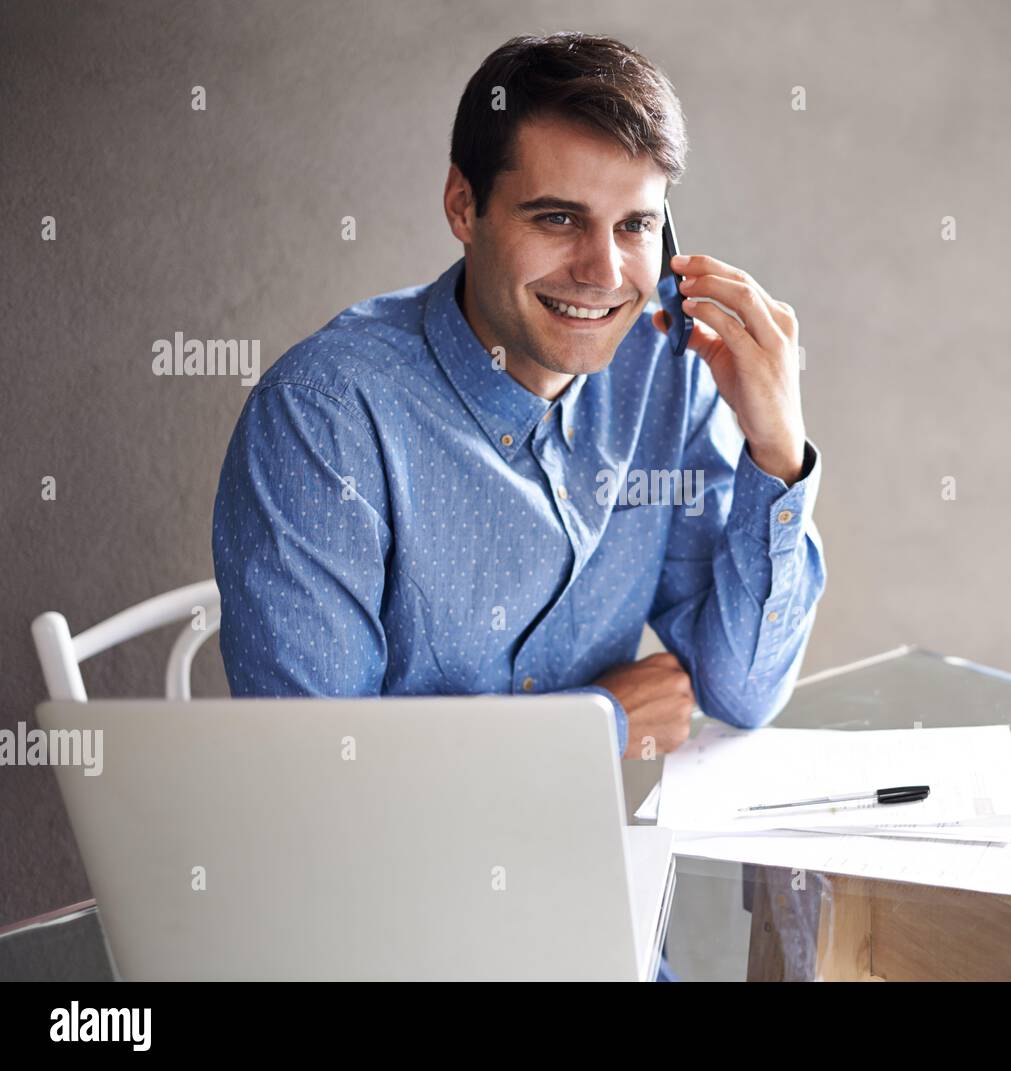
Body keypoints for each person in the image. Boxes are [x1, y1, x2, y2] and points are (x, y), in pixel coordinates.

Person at [212, 36, 827, 978]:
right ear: (464, 206)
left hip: (591, 923)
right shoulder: (325, 416)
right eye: (558, 218)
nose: (603, 270)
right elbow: (319, 794)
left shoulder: (665, 366)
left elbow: (743, 688)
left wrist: (777, 450)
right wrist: (595, 727)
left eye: (635, 226)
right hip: (383, 943)